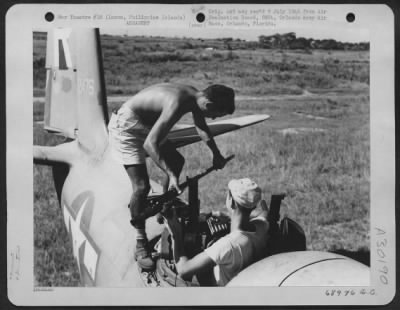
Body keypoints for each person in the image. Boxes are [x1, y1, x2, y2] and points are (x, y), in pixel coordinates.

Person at [107, 83, 235, 270]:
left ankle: (162, 208)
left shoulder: (195, 97)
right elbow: (150, 145)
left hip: (146, 124)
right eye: (215, 114)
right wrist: (170, 175)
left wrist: (216, 154)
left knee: (176, 162)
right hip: (127, 126)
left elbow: (201, 127)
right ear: (208, 105)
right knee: (142, 187)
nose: (213, 118)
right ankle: (141, 242)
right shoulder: (177, 103)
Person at [164, 178, 269, 286]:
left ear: (231, 202)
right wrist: (227, 216)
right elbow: (264, 211)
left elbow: (183, 270)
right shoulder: (262, 226)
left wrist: (175, 233)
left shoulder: (228, 245)